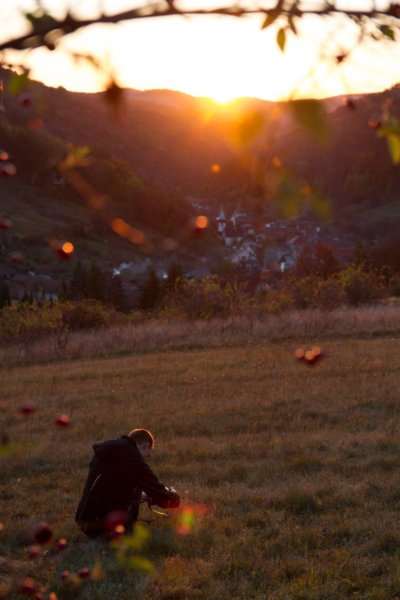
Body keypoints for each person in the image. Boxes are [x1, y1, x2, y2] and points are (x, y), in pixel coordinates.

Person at [75, 428, 180, 538]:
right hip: (104, 527)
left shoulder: (108, 450)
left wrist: (143, 496)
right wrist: (173, 496)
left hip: (85, 521)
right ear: (145, 446)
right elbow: (158, 493)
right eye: (148, 455)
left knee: (136, 488)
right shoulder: (132, 458)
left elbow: (111, 488)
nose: (146, 459)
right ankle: (126, 528)